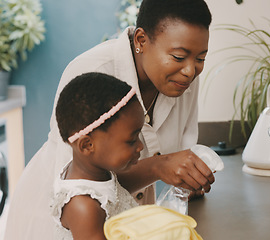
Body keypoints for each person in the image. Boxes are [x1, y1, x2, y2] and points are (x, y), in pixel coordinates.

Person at [5, 0, 214, 239]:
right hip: (50, 224)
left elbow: (182, 150)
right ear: (141, 41)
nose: (190, 70)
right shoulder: (91, 70)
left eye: (200, 58)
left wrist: (189, 176)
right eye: (178, 57)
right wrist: (159, 166)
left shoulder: (184, 79)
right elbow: (85, 178)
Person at [52, 73, 142, 239]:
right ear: (87, 145)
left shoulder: (96, 172)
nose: (140, 146)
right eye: (131, 140)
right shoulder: (83, 207)